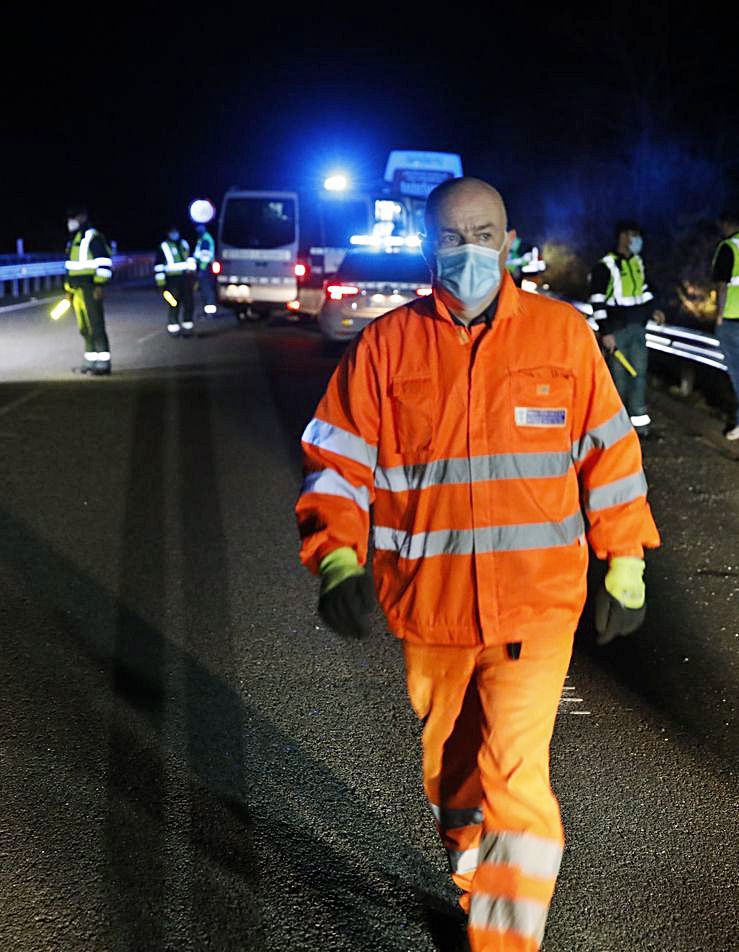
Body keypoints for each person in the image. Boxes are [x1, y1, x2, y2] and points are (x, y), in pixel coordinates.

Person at [295, 178, 660, 952]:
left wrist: (623, 559)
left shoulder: (561, 337)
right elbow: (334, 465)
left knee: (513, 775)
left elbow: (608, 454)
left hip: (534, 606)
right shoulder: (385, 346)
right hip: (428, 608)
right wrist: (336, 560)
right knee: (452, 777)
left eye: (484, 234)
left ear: (509, 239)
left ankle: (502, 940)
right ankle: (472, 879)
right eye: (453, 237)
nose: (469, 253)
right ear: (430, 245)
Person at [588, 221, 666, 438]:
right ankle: (614, 429)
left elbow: (647, 291)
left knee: (639, 376)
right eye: (633, 234)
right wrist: (605, 332)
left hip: (638, 328)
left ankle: (639, 426)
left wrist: (654, 310)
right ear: (622, 237)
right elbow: (597, 301)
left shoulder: (637, 263)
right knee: (618, 380)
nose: (637, 240)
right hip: (616, 332)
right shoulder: (605, 266)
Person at [64, 206, 113, 375]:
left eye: (74, 216)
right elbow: (70, 267)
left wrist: (99, 285)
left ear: (83, 217)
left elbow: (104, 263)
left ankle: (103, 364)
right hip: (77, 290)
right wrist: (68, 288)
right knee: (84, 328)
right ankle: (90, 361)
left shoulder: (93, 237)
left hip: (91, 287)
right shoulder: (74, 238)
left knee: (96, 325)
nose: (71, 221)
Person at [710, 210, 739, 440]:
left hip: (732, 320)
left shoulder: (728, 247)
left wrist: (718, 316)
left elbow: (722, 285)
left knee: (737, 373)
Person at [154, 226, 196, 336]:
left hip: (186, 278)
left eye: (176, 232)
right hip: (171, 280)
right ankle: (173, 327)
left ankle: (188, 327)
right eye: (172, 232)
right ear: (168, 234)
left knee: (189, 303)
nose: (174, 234)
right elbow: (158, 265)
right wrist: (161, 283)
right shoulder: (164, 246)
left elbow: (191, 259)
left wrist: (193, 275)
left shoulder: (184, 244)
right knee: (173, 302)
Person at [193, 222, 218, 316]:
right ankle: (208, 313)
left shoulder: (205, 239)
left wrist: (201, 270)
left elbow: (205, 257)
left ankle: (209, 314)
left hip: (206, 268)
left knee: (206, 290)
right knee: (207, 290)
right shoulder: (204, 238)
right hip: (207, 267)